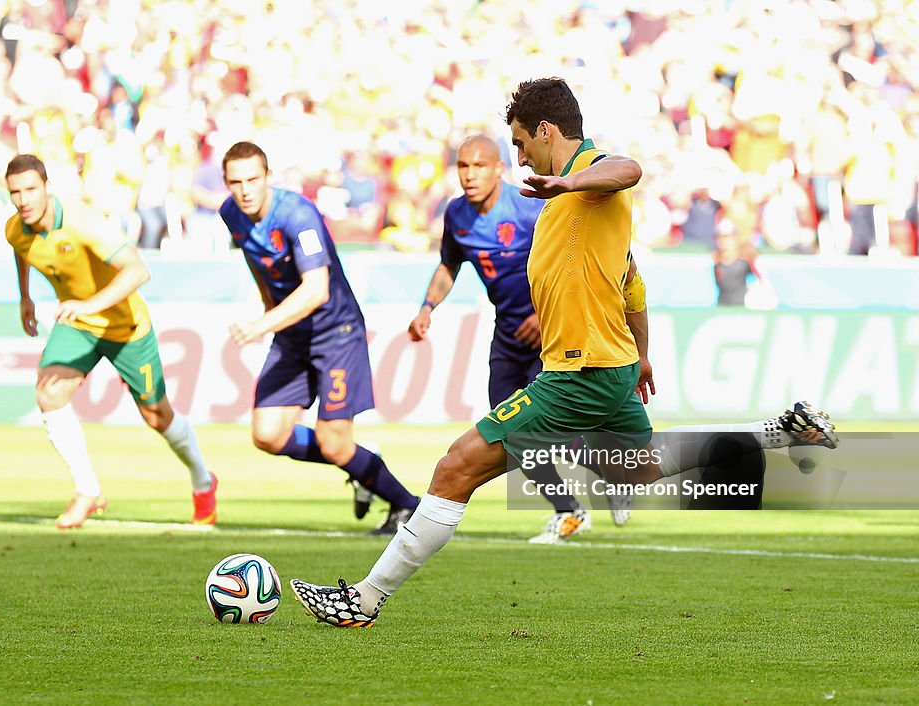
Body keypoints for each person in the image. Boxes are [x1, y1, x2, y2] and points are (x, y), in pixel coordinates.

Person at [289, 78, 837, 628]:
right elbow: (631, 280)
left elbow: (630, 169)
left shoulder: (590, 180)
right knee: (638, 471)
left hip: (579, 372)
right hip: (609, 364)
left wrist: (569, 182)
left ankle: (363, 599)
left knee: (456, 466)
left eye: (523, 144)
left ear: (547, 132)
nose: (520, 157)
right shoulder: (568, 199)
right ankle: (784, 430)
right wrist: (640, 353)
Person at [406, 134, 634, 541]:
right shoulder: (456, 215)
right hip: (508, 335)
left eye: (479, 166)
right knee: (510, 432)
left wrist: (540, 314)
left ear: (498, 169)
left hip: (554, 336)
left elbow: (568, 259)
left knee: (549, 429)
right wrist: (427, 308)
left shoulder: (531, 204)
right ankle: (571, 509)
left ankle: (614, 473)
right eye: (463, 166)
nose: (470, 175)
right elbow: (448, 266)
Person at [3, 154, 217, 529]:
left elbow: (138, 270)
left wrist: (89, 304)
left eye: (31, 190)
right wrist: (25, 296)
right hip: (78, 325)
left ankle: (203, 479)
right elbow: (22, 252)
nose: (24, 200)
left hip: (125, 326)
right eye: (15, 192)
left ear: (47, 187)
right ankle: (87, 490)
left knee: (156, 416)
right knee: (49, 396)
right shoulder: (16, 230)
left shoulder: (84, 222)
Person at [217, 141, 419, 535]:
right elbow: (255, 262)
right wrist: (268, 307)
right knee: (268, 434)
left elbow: (317, 290)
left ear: (268, 177)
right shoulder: (232, 213)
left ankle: (406, 506)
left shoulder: (297, 215)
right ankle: (359, 461)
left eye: (253, 179)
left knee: (333, 442)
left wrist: (262, 324)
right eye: (235, 181)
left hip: (335, 334)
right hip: (293, 335)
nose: (244, 190)